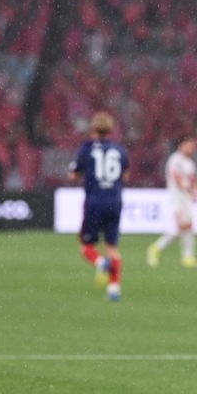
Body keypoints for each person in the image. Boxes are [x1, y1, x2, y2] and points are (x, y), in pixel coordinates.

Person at [70, 111, 129, 301]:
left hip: (95, 200)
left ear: (93, 129)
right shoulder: (120, 150)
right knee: (112, 247)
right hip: (115, 200)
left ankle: (101, 262)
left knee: (85, 245)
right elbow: (125, 176)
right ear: (110, 130)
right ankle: (114, 289)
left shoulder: (86, 148)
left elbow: (74, 174)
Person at [146, 137, 197, 269]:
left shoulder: (190, 163)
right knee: (181, 227)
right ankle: (156, 248)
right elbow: (178, 180)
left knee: (189, 226)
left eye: (193, 146)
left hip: (187, 199)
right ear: (181, 145)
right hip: (178, 198)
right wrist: (193, 193)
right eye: (189, 145)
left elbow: (194, 182)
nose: (191, 149)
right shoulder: (175, 160)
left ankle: (188, 257)